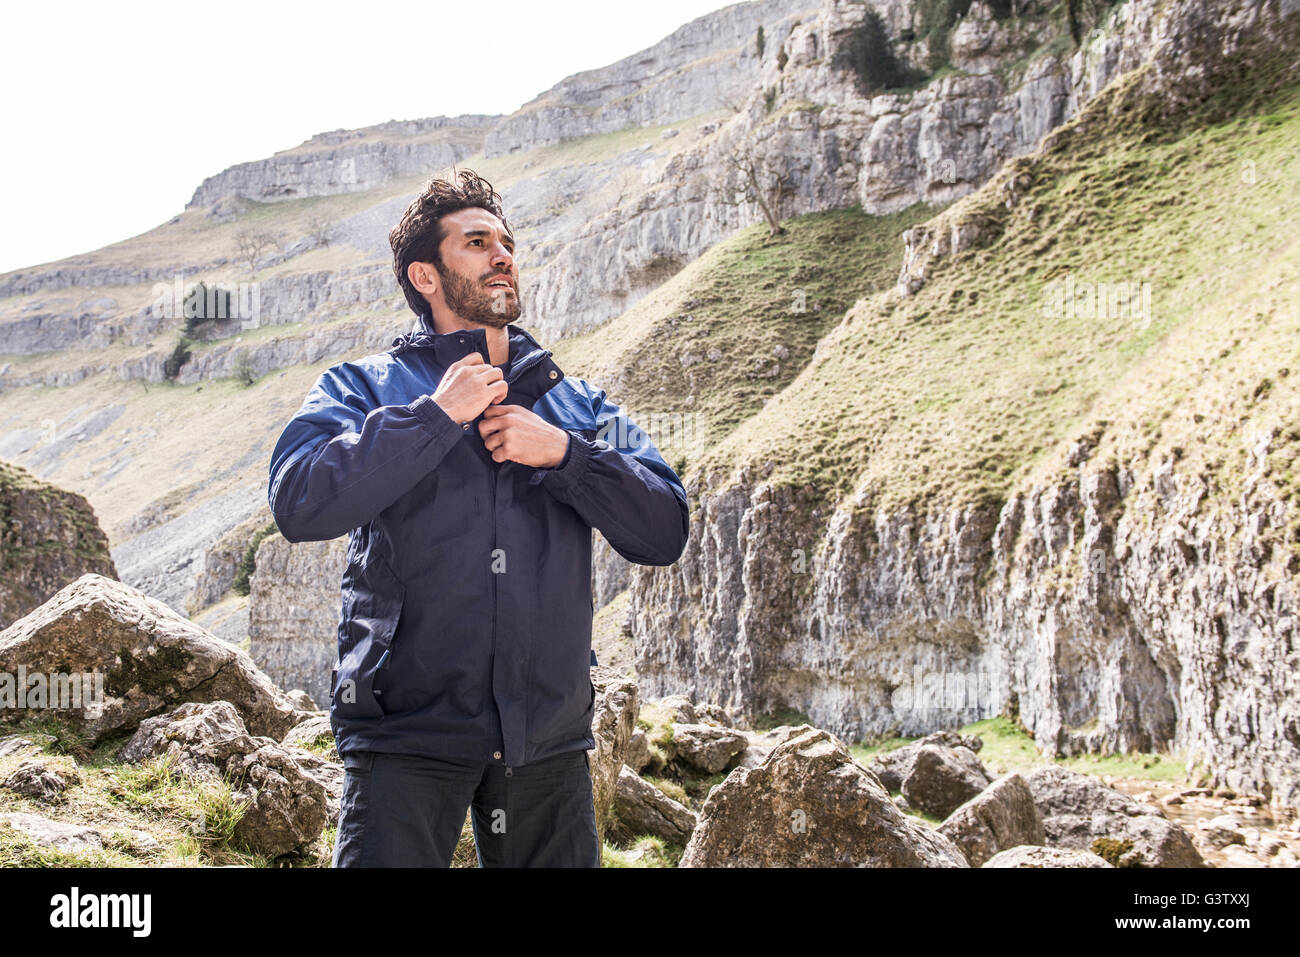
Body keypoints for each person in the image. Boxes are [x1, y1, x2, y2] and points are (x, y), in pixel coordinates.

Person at [266, 168, 689, 867]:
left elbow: (665, 526)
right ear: (425, 276)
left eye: (507, 242)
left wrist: (566, 456)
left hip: (547, 744)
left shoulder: (574, 405)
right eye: (477, 242)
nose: (502, 255)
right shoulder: (367, 386)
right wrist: (434, 419)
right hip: (405, 737)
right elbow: (298, 497)